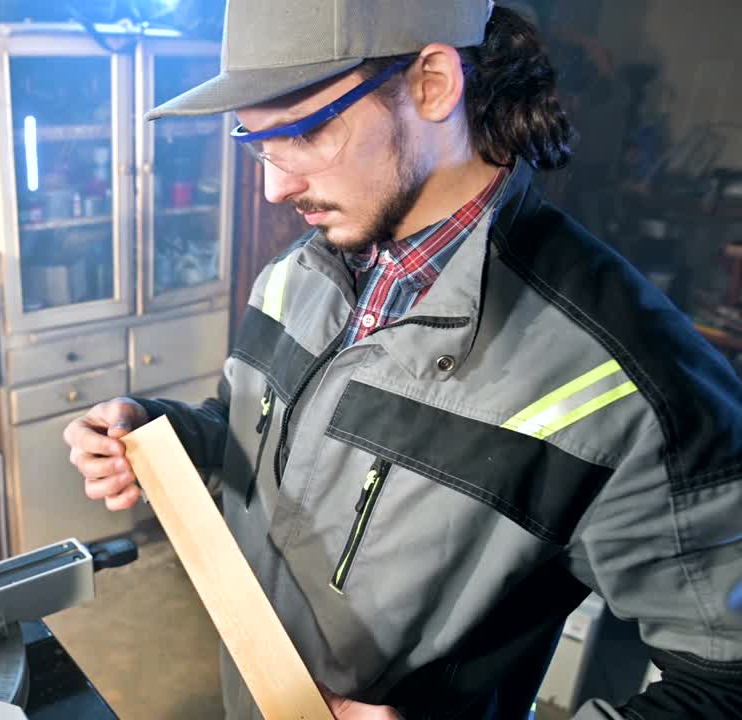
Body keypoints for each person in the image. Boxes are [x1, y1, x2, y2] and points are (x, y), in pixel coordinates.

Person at [61, 1, 742, 718]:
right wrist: (159, 432)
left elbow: (723, 686)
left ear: (432, 85)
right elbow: (251, 430)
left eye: (306, 131)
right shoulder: (300, 272)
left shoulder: (627, 379)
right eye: (256, 142)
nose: (273, 186)